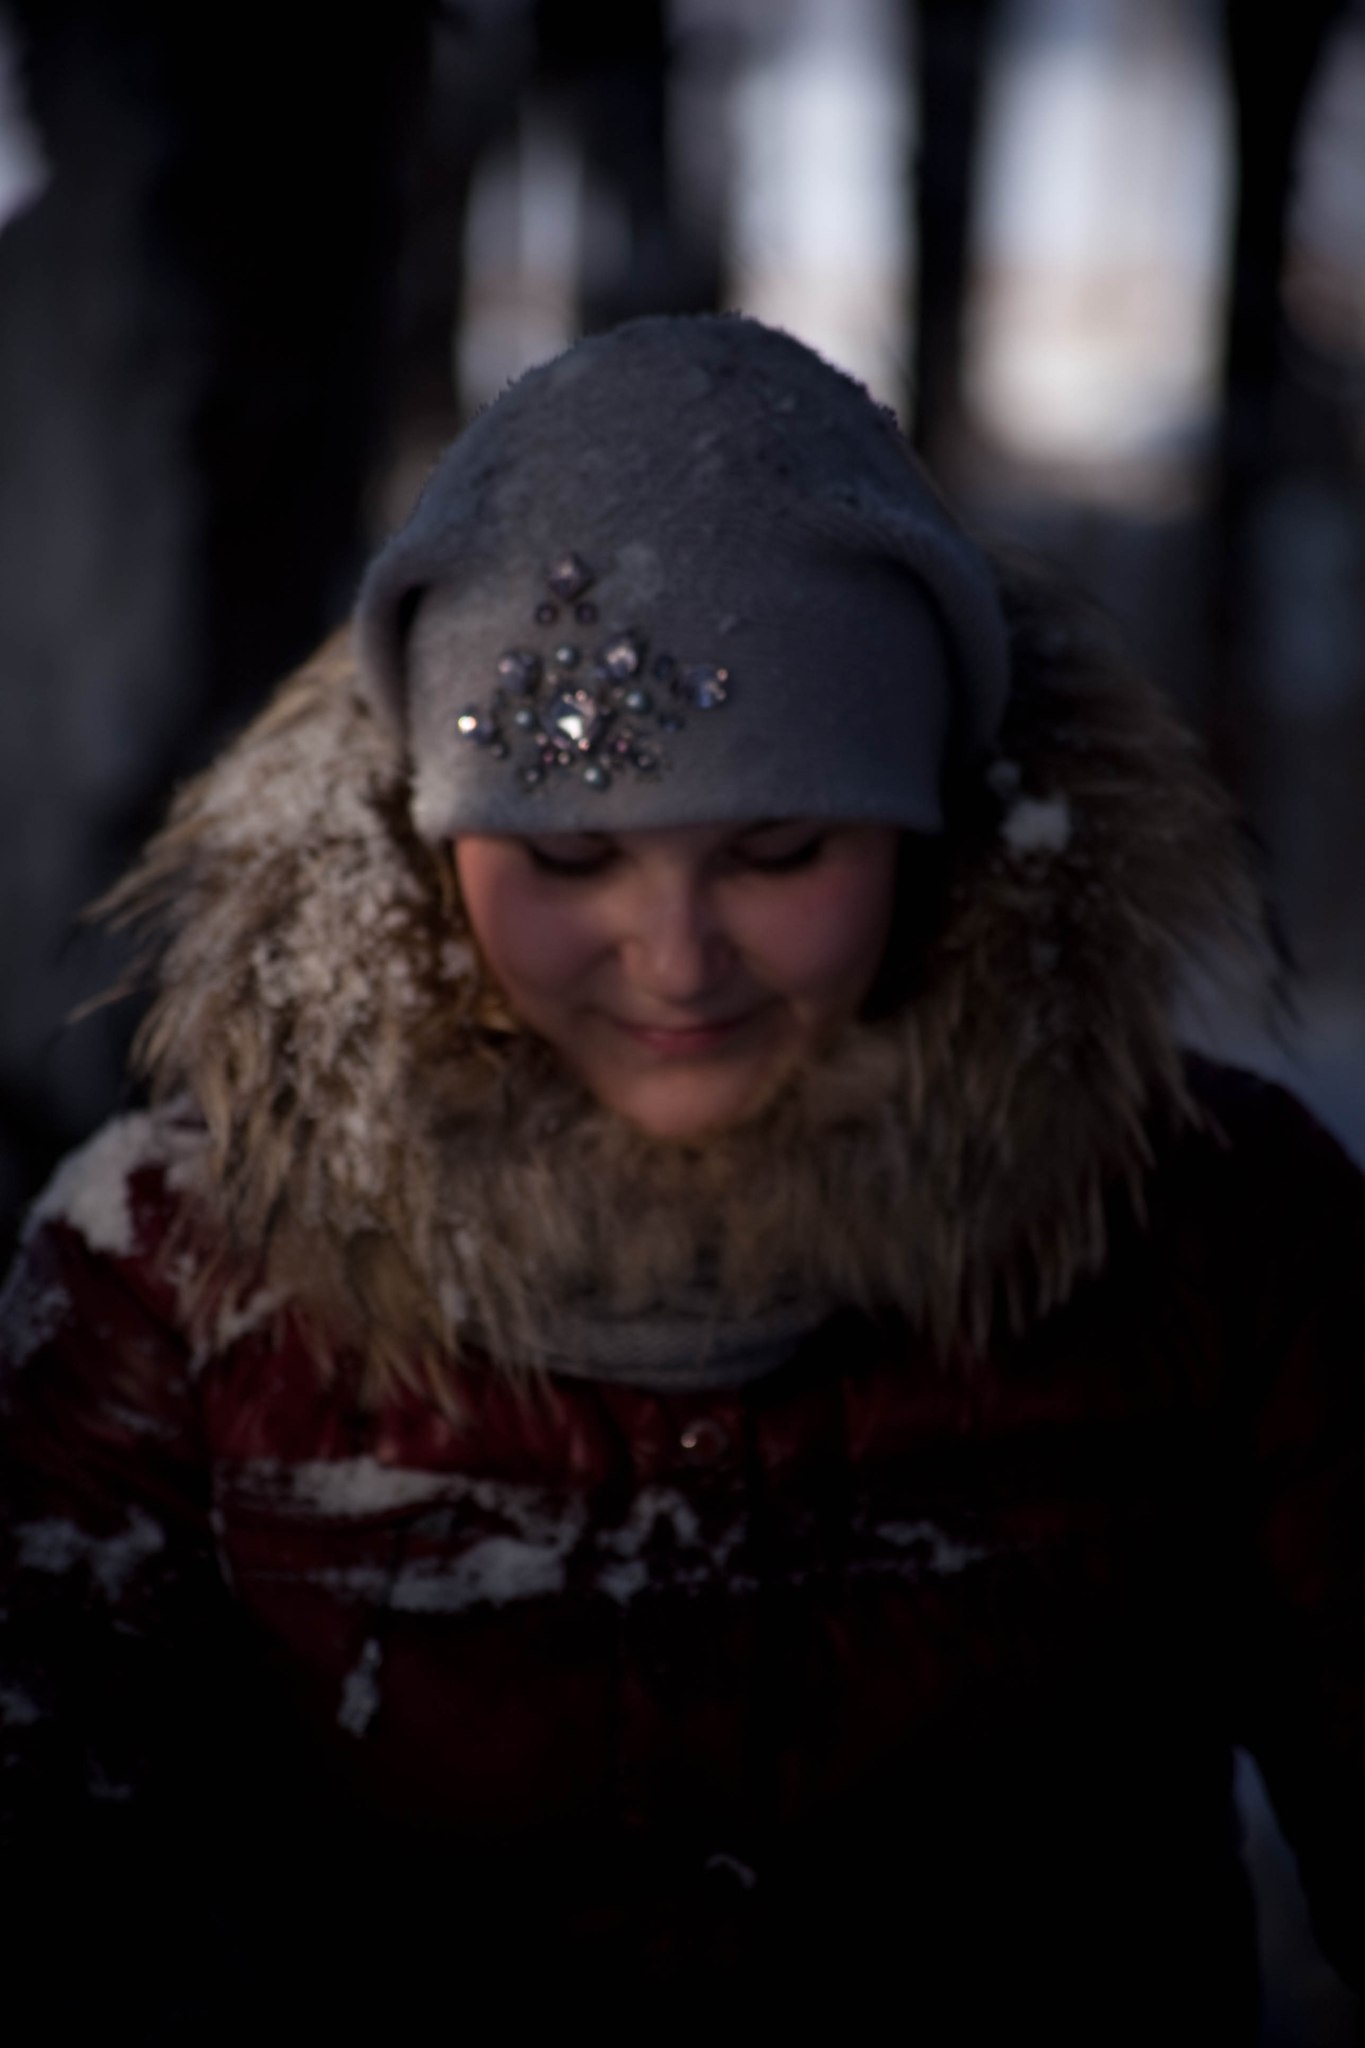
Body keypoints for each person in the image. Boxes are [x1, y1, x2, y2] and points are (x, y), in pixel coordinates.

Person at [1, 314, 1361, 2044]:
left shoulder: (1210, 1238)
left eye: (780, 848)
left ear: (931, 824)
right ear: (427, 837)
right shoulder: (172, 1280)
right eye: (570, 855)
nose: (673, 958)